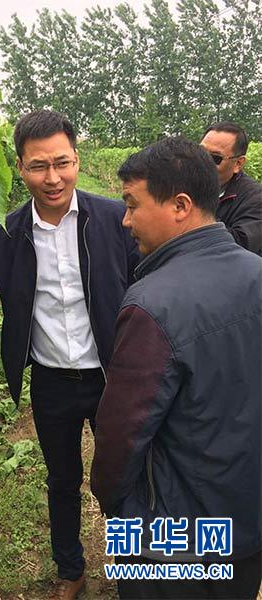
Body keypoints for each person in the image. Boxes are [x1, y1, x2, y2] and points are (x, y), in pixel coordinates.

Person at [0, 110, 140, 599]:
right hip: (51, 381)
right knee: (62, 480)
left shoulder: (112, 218)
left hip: (112, 376)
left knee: (123, 479)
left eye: (62, 163)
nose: (53, 178)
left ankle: (133, 566)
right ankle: (71, 570)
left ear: (77, 160)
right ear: (20, 168)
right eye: (39, 166)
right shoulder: (8, 231)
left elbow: (148, 276)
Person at [90, 136, 262, 599]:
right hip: (247, 521)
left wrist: (112, 500)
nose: (125, 220)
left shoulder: (152, 305)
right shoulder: (256, 273)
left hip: (174, 544)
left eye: (132, 205)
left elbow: (122, 434)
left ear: (180, 205)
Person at [200, 121, 262, 255]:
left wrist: (196, 215)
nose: (203, 162)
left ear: (238, 163)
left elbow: (242, 244)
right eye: (201, 153)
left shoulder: (256, 198)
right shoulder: (183, 183)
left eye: (215, 158)